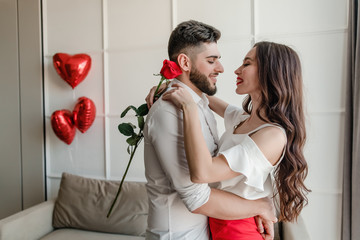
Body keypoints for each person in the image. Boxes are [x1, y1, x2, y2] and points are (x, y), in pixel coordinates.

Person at [159, 41, 310, 239]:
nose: (237, 70)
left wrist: (189, 109)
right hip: (221, 222)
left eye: (247, 64)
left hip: (240, 229)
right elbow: (203, 97)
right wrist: (168, 87)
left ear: (270, 72)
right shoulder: (245, 119)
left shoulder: (272, 136)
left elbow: (203, 172)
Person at [143, 20, 277, 240]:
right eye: (211, 60)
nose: (221, 68)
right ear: (185, 62)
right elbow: (196, 196)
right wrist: (260, 206)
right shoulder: (168, 113)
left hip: (206, 231)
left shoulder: (200, 105)